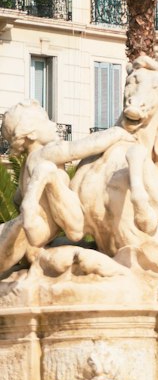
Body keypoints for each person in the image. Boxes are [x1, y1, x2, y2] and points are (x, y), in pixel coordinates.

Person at [0, 104, 137, 276]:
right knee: (76, 229)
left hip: (37, 233)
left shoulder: (26, 166)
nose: (53, 124)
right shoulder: (45, 153)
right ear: (32, 134)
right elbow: (81, 147)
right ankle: (45, 181)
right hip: (60, 225)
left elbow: (17, 198)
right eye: (46, 121)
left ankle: (33, 210)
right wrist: (118, 132)